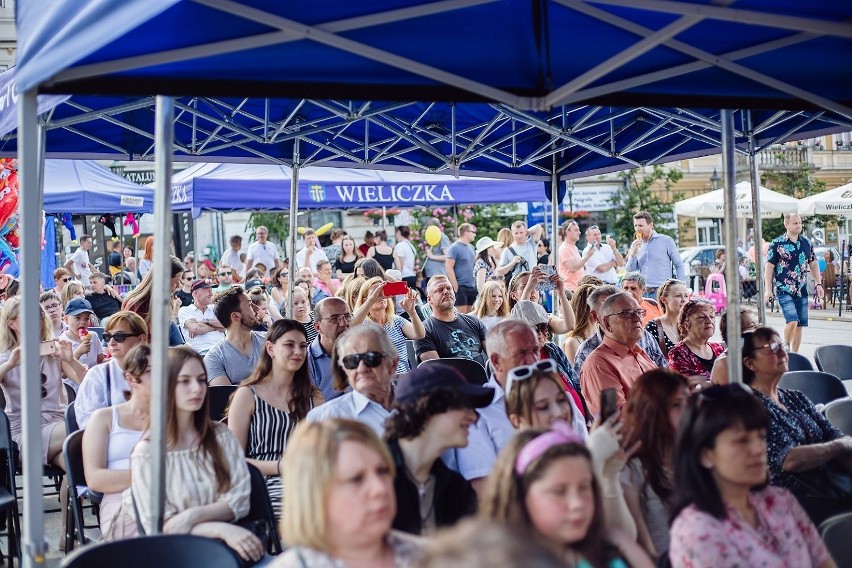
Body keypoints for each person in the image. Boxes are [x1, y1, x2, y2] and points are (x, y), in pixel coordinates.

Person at [118, 346, 265, 564]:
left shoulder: (221, 436)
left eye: (201, 379)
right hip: (178, 556)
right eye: (184, 381)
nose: (197, 388)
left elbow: (240, 500)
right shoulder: (148, 453)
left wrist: (191, 517)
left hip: (233, 550)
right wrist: (220, 528)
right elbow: (161, 527)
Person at [669, 384, 834, 568]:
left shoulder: (780, 501)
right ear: (706, 455)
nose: (759, 449)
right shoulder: (697, 531)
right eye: (742, 440)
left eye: (761, 437)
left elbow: (823, 562)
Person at [479, 424, 652, 568]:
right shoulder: (505, 561)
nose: (577, 503)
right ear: (521, 494)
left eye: (584, 487)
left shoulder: (613, 543)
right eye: (559, 492)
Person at [275, 419, 422, 567]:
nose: (380, 488)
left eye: (382, 471)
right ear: (315, 494)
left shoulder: (432, 558)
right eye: (356, 479)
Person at [742, 327, 852, 524]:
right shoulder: (750, 408)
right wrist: (838, 447)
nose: (783, 351)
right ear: (750, 363)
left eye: (782, 345)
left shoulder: (795, 397)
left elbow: (834, 434)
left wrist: (840, 447)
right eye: (772, 347)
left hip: (829, 485)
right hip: (793, 502)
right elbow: (789, 459)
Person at [227, 319, 323, 521]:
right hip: (265, 483)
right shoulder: (247, 395)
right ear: (270, 348)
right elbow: (233, 460)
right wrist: (279, 467)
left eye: (303, 346)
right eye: (289, 345)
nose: (298, 351)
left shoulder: (314, 397)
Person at [384, 364, 492, 535]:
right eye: (463, 405)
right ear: (428, 408)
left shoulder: (456, 489)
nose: (473, 417)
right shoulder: (372, 474)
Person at [453, 320, 538, 491]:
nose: (533, 360)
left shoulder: (560, 399)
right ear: (497, 361)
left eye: (535, 351)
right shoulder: (477, 414)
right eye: (521, 353)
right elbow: (486, 490)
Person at [82, 344, 150, 538]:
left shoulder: (171, 417)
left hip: (169, 495)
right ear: (130, 379)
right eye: (152, 372)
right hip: (119, 497)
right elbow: (95, 478)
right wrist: (152, 477)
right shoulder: (103, 418)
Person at [620, 369, 689, 558]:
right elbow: (642, 545)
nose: (687, 412)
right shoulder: (631, 468)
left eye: (688, 403)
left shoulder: (694, 456)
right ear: (652, 411)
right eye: (676, 405)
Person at [0, 297, 76, 467]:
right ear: (12, 324)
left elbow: (87, 381)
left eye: (40, 313)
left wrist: (70, 360)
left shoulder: (54, 351)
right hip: (24, 433)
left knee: (75, 465)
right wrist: (10, 365)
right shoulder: (6, 357)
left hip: (57, 425)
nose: (38, 318)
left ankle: (67, 495)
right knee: (82, 426)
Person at [306, 324, 398, 436]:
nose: (361, 368)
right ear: (344, 368)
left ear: (393, 364)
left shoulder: (419, 402)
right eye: (352, 361)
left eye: (371, 358)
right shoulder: (325, 419)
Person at [580, 292, 657, 417]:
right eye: (626, 314)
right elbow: (616, 418)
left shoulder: (639, 353)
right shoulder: (598, 364)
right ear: (607, 323)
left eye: (639, 312)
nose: (637, 318)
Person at [74, 311, 149, 429]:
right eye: (108, 337)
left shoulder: (158, 371)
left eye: (119, 337)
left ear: (140, 339)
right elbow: (88, 424)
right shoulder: (97, 375)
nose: (112, 342)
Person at [572, 285, 667, 377]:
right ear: (595, 316)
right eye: (625, 313)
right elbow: (579, 390)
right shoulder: (587, 351)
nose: (636, 318)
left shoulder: (644, 336)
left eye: (637, 312)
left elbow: (664, 370)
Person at [511, 301, 585, 418]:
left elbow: (575, 382)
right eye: (534, 328)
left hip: (578, 420)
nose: (540, 333)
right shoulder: (517, 361)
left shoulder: (553, 350)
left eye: (543, 327)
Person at [765, 213, 824, 353]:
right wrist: (768, 289)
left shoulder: (806, 243)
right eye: (795, 223)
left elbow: (813, 264)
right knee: (792, 321)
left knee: (799, 325)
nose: (799, 225)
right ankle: (784, 350)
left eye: (800, 223)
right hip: (783, 288)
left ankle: (795, 355)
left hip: (801, 289)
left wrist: (818, 283)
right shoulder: (777, 243)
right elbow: (769, 266)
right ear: (786, 225)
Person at [352, 277, 425, 374]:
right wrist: (372, 300)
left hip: (402, 379)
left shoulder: (396, 320)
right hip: (378, 380)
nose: (381, 296)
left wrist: (412, 312)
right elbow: (350, 327)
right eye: (376, 293)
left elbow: (419, 334)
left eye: (383, 292)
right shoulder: (362, 323)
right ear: (365, 299)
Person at [414, 275, 488, 366]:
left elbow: (495, 355)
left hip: (483, 378)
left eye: (449, 288)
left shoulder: (473, 321)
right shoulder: (423, 331)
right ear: (429, 299)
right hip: (450, 379)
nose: (446, 292)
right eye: (440, 290)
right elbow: (436, 370)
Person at [203, 287, 264, 386]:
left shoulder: (270, 341)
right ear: (235, 316)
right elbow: (226, 397)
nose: (257, 309)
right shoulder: (214, 358)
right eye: (249, 305)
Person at [121, 255, 186, 346]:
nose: (178, 286)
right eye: (176, 282)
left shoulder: (164, 301)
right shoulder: (138, 305)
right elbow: (136, 344)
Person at [625, 211, 685, 293]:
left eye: (641, 225)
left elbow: (678, 265)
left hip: (662, 291)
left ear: (651, 225)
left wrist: (681, 286)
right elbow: (630, 270)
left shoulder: (666, 241)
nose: (637, 229)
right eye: (635, 225)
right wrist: (633, 254)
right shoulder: (635, 244)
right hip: (643, 291)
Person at [666, 298, 725, 381]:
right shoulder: (678, 354)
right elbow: (685, 389)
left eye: (711, 316)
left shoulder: (718, 348)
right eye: (701, 317)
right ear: (686, 325)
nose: (709, 321)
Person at [308, 297, 352, 401]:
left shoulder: (361, 351)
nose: (343, 323)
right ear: (318, 327)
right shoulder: (305, 361)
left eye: (347, 316)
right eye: (334, 319)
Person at [507, 269, 576, 334]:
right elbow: (522, 316)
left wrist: (561, 293)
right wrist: (528, 289)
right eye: (524, 287)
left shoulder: (546, 319)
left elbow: (569, 326)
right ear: (513, 295)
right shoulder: (509, 321)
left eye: (536, 286)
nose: (533, 290)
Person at [709, 307, 759, 385]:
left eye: (757, 325)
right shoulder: (725, 363)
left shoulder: (755, 353)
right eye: (753, 326)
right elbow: (737, 395)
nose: (758, 330)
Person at [644, 279, 690, 358]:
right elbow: (648, 360)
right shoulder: (653, 326)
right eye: (678, 296)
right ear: (664, 299)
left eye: (686, 296)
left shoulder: (690, 324)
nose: (684, 300)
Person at [177, 279, 226, 355]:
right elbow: (195, 328)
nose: (211, 294)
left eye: (211, 290)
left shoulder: (215, 308)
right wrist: (216, 327)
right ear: (196, 293)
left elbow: (226, 324)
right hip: (200, 355)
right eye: (207, 290)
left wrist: (206, 321)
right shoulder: (185, 310)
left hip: (222, 352)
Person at [62, 298, 105, 380]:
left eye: (87, 318)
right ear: (66, 319)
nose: (83, 322)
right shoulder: (62, 342)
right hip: (73, 389)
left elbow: (100, 360)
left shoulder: (93, 336)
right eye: (78, 318)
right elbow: (63, 375)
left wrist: (113, 360)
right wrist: (79, 352)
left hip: (93, 384)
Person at [445, 223, 479, 314]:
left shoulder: (471, 247)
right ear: (466, 232)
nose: (474, 234)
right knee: (461, 315)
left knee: (472, 314)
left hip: (472, 286)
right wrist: (456, 287)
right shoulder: (454, 247)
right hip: (460, 286)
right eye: (472, 232)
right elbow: (449, 267)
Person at [497, 220, 543, 285]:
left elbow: (538, 227)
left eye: (521, 232)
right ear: (512, 234)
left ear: (525, 232)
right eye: (516, 233)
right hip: (517, 286)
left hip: (532, 284)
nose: (518, 236)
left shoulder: (531, 244)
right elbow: (500, 271)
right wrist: (512, 263)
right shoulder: (507, 250)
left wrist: (527, 232)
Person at [562, 283, 597, 365]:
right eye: (598, 304)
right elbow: (576, 375)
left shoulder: (603, 334)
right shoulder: (572, 342)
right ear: (586, 308)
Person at [558, 221, 594, 293]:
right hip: (570, 290)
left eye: (578, 230)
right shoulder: (564, 248)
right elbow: (572, 268)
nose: (579, 232)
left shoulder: (574, 247)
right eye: (576, 230)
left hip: (577, 288)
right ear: (567, 232)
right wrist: (587, 256)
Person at [422, 218, 451, 292]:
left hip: (438, 273)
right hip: (430, 274)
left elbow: (447, 256)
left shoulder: (442, 237)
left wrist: (432, 256)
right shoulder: (432, 237)